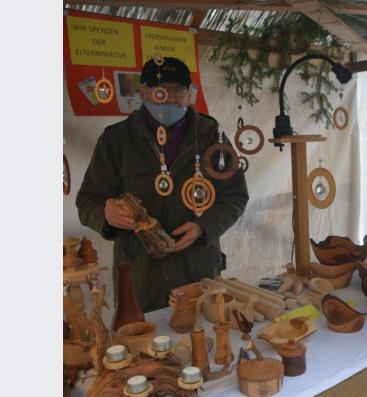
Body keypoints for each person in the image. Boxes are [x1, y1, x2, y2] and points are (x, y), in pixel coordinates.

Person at [77, 57, 249, 313]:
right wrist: (106, 213)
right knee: (142, 346)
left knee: (204, 340)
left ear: (189, 94)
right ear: (142, 92)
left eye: (176, 90)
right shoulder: (115, 141)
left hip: (197, 271)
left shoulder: (212, 138)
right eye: (160, 90)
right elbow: (87, 201)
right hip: (140, 276)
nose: (168, 98)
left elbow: (235, 196)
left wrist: (204, 227)